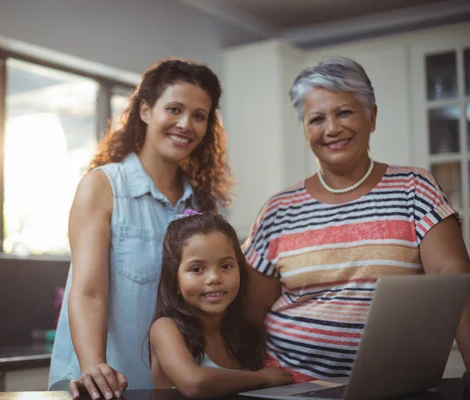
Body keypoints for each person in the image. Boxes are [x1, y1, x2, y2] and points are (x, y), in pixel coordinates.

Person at [242, 57, 470, 386]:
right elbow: (250, 316)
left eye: (344, 112)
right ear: (305, 130)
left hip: (391, 387)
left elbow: (455, 286)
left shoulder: (414, 188)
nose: (332, 128)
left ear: (371, 116)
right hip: (292, 387)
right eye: (316, 118)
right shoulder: (278, 210)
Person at [48, 58, 232, 398]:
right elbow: (88, 292)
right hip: (105, 387)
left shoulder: (203, 207)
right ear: (145, 111)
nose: (185, 124)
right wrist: (94, 367)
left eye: (199, 116)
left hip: (169, 388)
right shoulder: (103, 186)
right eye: (174, 109)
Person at [148, 212, 293, 398]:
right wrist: (262, 377)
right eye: (197, 269)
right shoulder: (166, 329)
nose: (214, 278)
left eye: (225, 266)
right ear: (175, 281)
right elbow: (194, 383)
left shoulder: (241, 331)